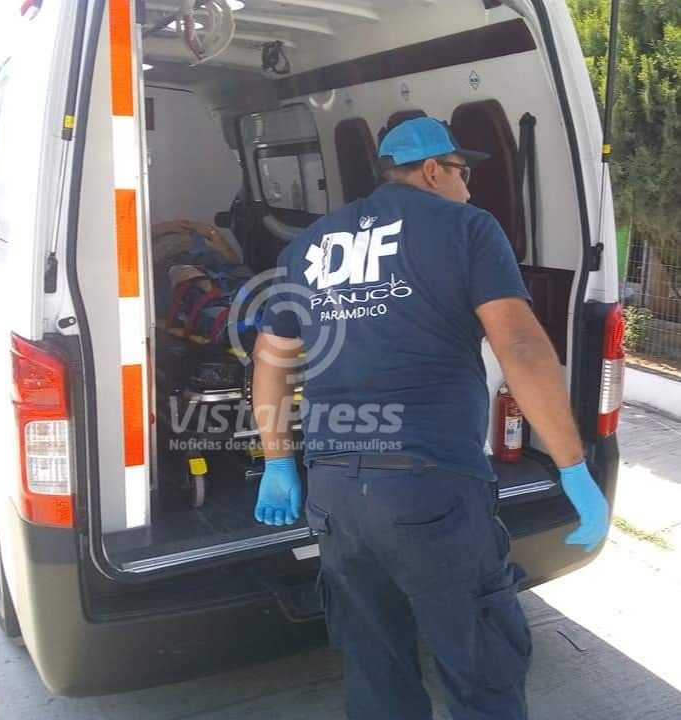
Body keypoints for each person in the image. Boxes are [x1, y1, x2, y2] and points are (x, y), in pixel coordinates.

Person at [250, 117, 609, 719]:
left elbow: (271, 360)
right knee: (480, 666)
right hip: (432, 485)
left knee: (375, 669)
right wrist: (572, 467)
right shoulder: (467, 227)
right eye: (464, 172)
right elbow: (520, 346)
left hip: (335, 492)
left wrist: (278, 462)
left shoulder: (307, 245)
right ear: (434, 171)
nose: (469, 186)